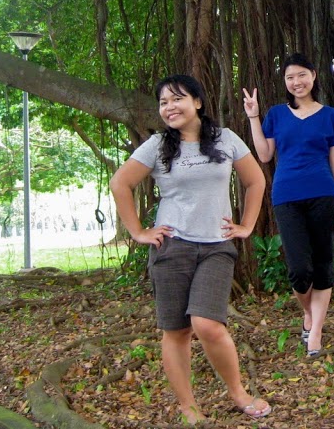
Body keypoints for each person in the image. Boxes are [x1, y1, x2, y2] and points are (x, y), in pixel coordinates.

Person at [109, 75, 270, 422]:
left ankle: (238, 392)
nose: (169, 107)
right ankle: (188, 405)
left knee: (207, 324)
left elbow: (255, 180)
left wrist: (247, 225)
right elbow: (120, 183)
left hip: (216, 246)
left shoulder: (226, 139)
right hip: (172, 246)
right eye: (163, 102)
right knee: (177, 331)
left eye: (177, 99)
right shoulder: (156, 145)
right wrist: (137, 231)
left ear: (197, 101)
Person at [243, 53, 334, 358]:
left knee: (323, 262)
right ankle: (308, 312)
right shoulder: (276, 114)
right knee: (299, 270)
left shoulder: (330, 116)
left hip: (323, 193)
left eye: (302, 75)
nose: (296, 82)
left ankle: (315, 332)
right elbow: (265, 155)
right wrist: (253, 117)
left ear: (313, 76)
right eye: (290, 77)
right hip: (286, 196)